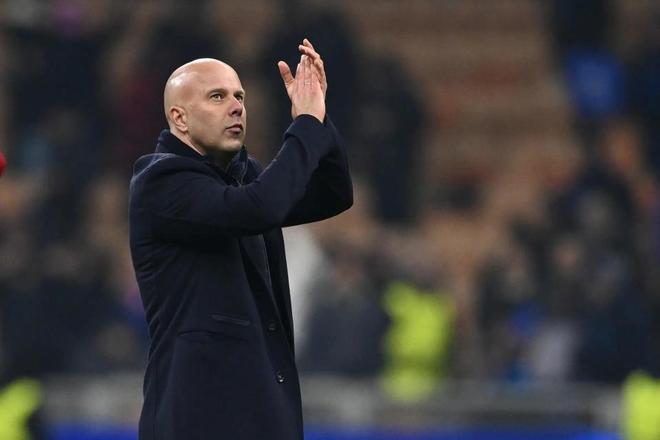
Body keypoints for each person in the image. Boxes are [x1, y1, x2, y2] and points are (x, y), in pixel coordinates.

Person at [128, 39, 352, 440]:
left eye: (239, 97)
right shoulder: (160, 183)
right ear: (179, 118)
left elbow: (333, 194)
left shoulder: (245, 179)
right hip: (197, 419)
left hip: (261, 414)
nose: (236, 106)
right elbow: (260, 208)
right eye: (217, 96)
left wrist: (317, 114)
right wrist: (304, 125)